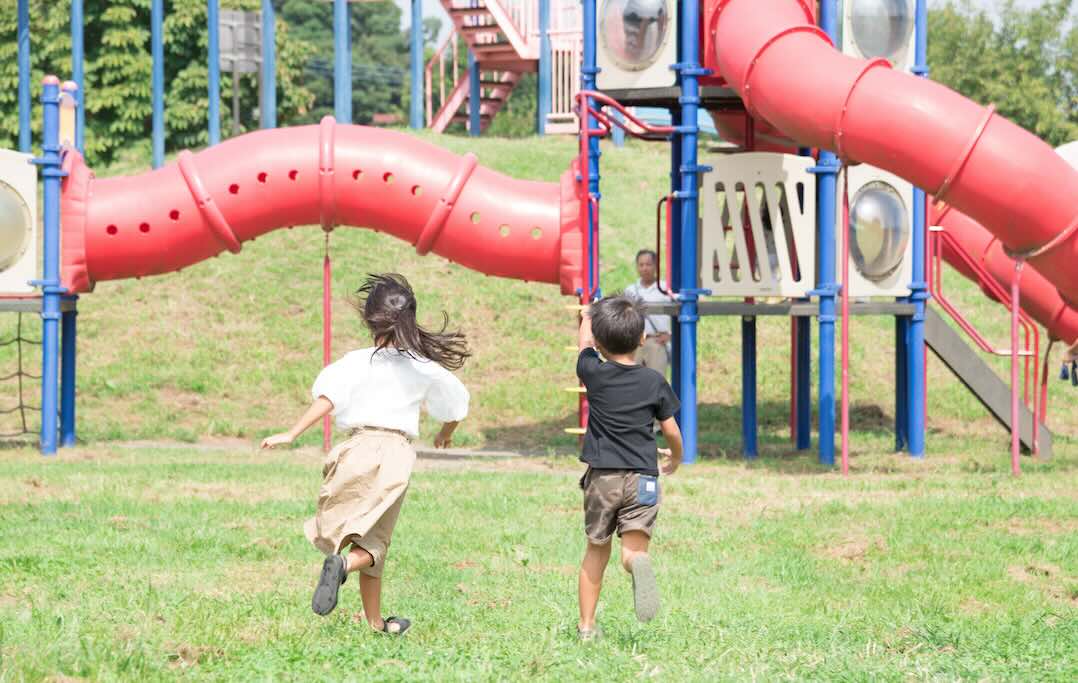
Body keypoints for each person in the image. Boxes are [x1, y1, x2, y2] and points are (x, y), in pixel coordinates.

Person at [261, 273, 470, 636]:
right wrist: (444, 434)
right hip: (393, 454)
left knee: (365, 537)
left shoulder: (355, 362)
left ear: (370, 319)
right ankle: (342, 565)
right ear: (410, 320)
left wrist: (291, 433)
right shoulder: (422, 366)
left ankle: (376, 623)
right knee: (376, 543)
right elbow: (455, 406)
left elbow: (328, 399)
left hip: (354, 449)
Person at [575, 295, 684, 640]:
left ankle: (587, 627)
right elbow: (671, 430)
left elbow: (583, 345)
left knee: (596, 549)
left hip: (603, 478)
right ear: (641, 338)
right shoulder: (654, 381)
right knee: (633, 551)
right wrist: (676, 457)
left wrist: (587, 315)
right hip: (643, 478)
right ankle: (636, 563)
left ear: (600, 341)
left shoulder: (594, 373)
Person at [623, 250, 674, 377]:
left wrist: (670, 335)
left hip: (657, 342)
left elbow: (679, 313)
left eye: (648, 264)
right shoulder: (630, 291)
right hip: (634, 344)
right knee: (632, 382)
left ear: (656, 266)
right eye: (641, 265)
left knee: (656, 381)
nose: (644, 268)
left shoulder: (666, 289)